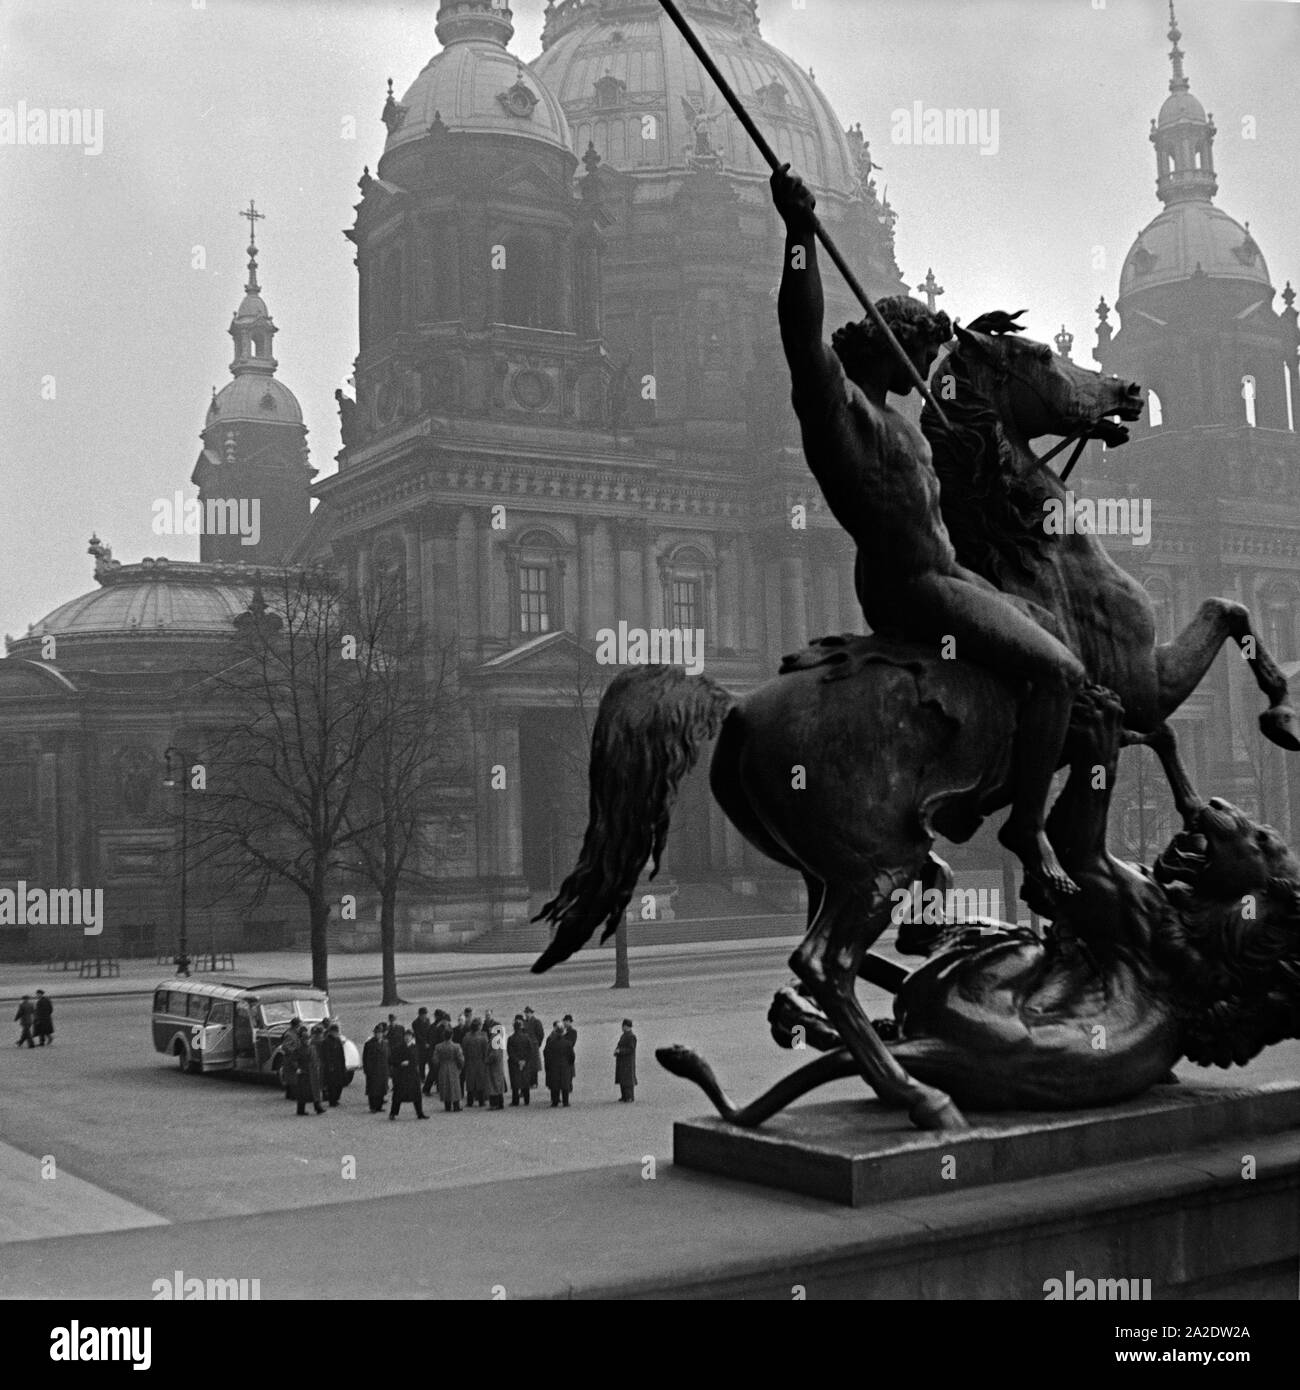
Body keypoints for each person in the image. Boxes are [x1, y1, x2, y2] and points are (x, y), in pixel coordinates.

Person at [770, 163, 1085, 900]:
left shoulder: (901, 425)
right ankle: (1028, 830)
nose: (930, 365)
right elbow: (799, 330)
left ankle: (967, 796)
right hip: (913, 585)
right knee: (1059, 674)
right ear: (888, 341)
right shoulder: (839, 408)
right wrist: (797, 240)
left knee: (1057, 636)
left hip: (946, 573)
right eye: (920, 345)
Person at [387, 1025, 427, 1120]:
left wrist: (411, 1063)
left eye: (409, 1035)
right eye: (405, 1035)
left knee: (417, 1095)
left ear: (412, 1037)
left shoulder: (415, 1047)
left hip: (413, 1074)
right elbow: (391, 1060)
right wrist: (400, 1063)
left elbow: (418, 1059)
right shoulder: (398, 1047)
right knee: (398, 1094)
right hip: (401, 1074)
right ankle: (393, 1113)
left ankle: (420, 1113)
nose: (407, 1037)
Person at [432, 1026, 464, 1112]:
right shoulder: (456, 1046)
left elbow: (435, 1060)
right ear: (452, 1035)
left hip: (443, 1066)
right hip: (453, 1067)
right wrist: (460, 1067)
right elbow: (461, 1059)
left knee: (445, 1085)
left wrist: (438, 1066)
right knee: (455, 1086)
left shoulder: (438, 1047)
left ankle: (447, 1105)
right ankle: (456, 1105)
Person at [543, 1020, 574, 1108]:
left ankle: (555, 1102)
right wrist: (569, 1063)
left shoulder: (551, 1043)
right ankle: (565, 1102)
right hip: (565, 1065)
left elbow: (546, 1054)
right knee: (565, 1084)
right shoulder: (568, 1043)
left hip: (554, 1065)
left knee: (554, 1085)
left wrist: (548, 1064)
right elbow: (572, 1056)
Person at [461, 1017, 490, 1108]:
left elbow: (464, 1050)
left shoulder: (466, 1037)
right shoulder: (483, 1037)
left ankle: (470, 1101)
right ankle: (481, 1101)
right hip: (480, 1061)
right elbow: (486, 1051)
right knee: (480, 1081)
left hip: (469, 1061)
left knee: (470, 1082)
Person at [297, 1025, 326, 1116]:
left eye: (308, 1039)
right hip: (304, 1072)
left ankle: (318, 1107)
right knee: (303, 1092)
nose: (307, 1041)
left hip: (312, 1071)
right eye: (306, 1039)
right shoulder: (299, 1049)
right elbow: (294, 1060)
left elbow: (315, 1058)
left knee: (315, 1091)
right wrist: (297, 1068)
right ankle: (301, 1109)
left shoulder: (311, 1047)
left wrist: (317, 1065)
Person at [362, 1023, 390, 1113]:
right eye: (377, 1033)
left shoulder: (385, 1043)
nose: (379, 1034)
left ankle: (379, 1106)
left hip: (383, 1069)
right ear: (374, 1034)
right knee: (373, 1089)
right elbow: (366, 1058)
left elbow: (388, 1056)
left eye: (380, 1033)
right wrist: (367, 1070)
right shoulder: (369, 1044)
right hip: (373, 1069)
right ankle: (373, 1106)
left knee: (382, 1088)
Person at [507, 1015, 532, 1106]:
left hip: (515, 1063)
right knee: (525, 1081)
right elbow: (530, 1050)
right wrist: (524, 1060)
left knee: (515, 1083)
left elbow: (510, 1052)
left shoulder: (511, 1039)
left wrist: (518, 1061)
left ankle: (515, 1101)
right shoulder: (527, 1037)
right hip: (525, 1062)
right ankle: (526, 1100)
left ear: (514, 1028)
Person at [322, 1023, 347, 1107]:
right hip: (331, 1066)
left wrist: (343, 1064)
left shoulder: (338, 1040)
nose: (336, 1033)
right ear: (331, 1032)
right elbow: (326, 1055)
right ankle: (332, 1100)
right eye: (335, 1032)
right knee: (332, 1084)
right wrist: (330, 1066)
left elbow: (341, 1053)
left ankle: (336, 1098)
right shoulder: (326, 1041)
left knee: (339, 1084)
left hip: (339, 1065)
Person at [485, 1022, 508, 1110]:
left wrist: (487, 1060)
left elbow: (494, 1054)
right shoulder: (498, 1038)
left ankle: (495, 1104)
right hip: (497, 1065)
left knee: (494, 1084)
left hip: (493, 1066)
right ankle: (499, 1103)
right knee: (497, 1084)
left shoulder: (495, 1039)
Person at [615, 1019, 638, 1103]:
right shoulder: (624, 1035)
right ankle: (624, 1096)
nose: (622, 1027)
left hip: (628, 1062)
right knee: (622, 1079)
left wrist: (620, 1051)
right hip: (622, 1060)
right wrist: (617, 1051)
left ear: (626, 1026)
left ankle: (629, 1097)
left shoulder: (631, 1036)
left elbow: (631, 1049)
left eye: (623, 1026)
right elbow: (620, 1045)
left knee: (628, 1080)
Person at [412, 1007, 434, 1091]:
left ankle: (429, 1077)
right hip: (420, 1045)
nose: (425, 1016)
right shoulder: (415, 1023)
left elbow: (429, 1031)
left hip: (428, 1044)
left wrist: (429, 1042)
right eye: (423, 1014)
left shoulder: (427, 1021)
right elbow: (417, 1034)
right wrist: (424, 1043)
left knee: (429, 1060)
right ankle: (422, 1076)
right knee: (422, 1062)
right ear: (420, 1015)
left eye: (425, 1014)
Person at [280, 1021, 303, 1100]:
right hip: (290, 1058)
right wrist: (294, 1051)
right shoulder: (290, 1034)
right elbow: (285, 1046)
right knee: (292, 1077)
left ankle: (290, 1094)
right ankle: (292, 1095)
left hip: (292, 1057)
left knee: (291, 1077)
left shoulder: (294, 1033)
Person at [522, 1007, 543, 1091]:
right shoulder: (524, 1022)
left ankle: (534, 1082)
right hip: (526, 1046)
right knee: (528, 1065)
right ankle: (529, 1082)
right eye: (526, 1013)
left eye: (528, 1012)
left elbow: (540, 1034)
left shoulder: (536, 1022)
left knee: (534, 1065)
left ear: (531, 1013)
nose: (526, 1014)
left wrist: (537, 1043)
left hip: (534, 1045)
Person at [563, 1014, 577, 1082]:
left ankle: (569, 1086)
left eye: (566, 1021)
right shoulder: (562, 1031)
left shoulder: (573, 1031)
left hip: (569, 1053)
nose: (565, 1023)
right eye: (564, 1021)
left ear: (569, 1022)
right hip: (562, 1053)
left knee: (569, 1071)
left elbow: (572, 1043)